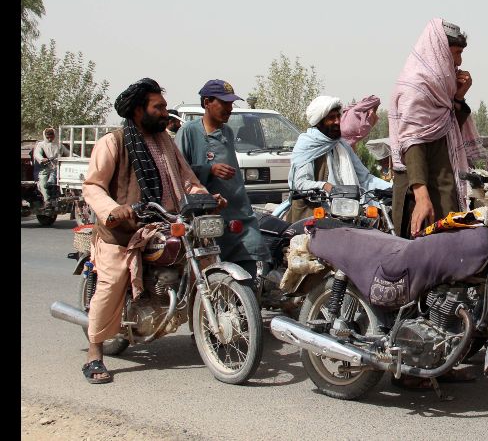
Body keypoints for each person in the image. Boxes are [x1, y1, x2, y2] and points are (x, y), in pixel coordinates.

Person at [81, 78, 220, 383]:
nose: (164, 112)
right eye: (158, 107)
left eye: (164, 107)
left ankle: (202, 327)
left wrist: (203, 195)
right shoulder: (113, 141)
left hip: (166, 222)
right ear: (138, 110)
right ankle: (94, 354)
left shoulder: (166, 141)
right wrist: (113, 210)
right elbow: (93, 186)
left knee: (203, 261)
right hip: (125, 230)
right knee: (115, 278)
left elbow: (186, 179)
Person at [388, 18, 483, 238]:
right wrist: (422, 198)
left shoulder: (440, 91)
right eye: (456, 53)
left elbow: (449, 132)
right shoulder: (417, 88)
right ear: (439, 52)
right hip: (422, 193)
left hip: (444, 188)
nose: (459, 62)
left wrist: (458, 98)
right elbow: (413, 144)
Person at [175, 79, 271, 288]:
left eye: (231, 103)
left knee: (250, 256)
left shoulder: (227, 132)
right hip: (207, 215)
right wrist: (210, 169)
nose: (229, 108)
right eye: (224, 103)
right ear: (207, 102)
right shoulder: (189, 132)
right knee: (210, 273)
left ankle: (248, 311)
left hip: (238, 212)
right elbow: (178, 173)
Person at [286, 95, 391, 222]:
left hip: (345, 212)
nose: (337, 121)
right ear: (319, 122)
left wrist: (391, 189)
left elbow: (365, 178)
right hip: (313, 215)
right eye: (331, 118)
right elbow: (301, 183)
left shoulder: (341, 145)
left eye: (338, 117)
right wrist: (325, 186)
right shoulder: (307, 145)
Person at [33, 127, 69, 205]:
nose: (49, 139)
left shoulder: (59, 145)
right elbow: (37, 154)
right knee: (43, 180)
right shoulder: (41, 144)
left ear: (54, 136)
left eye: (51, 137)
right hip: (46, 167)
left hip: (57, 167)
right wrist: (42, 159)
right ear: (45, 136)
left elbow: (68, 153)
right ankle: (47, 200)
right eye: (47, 137)